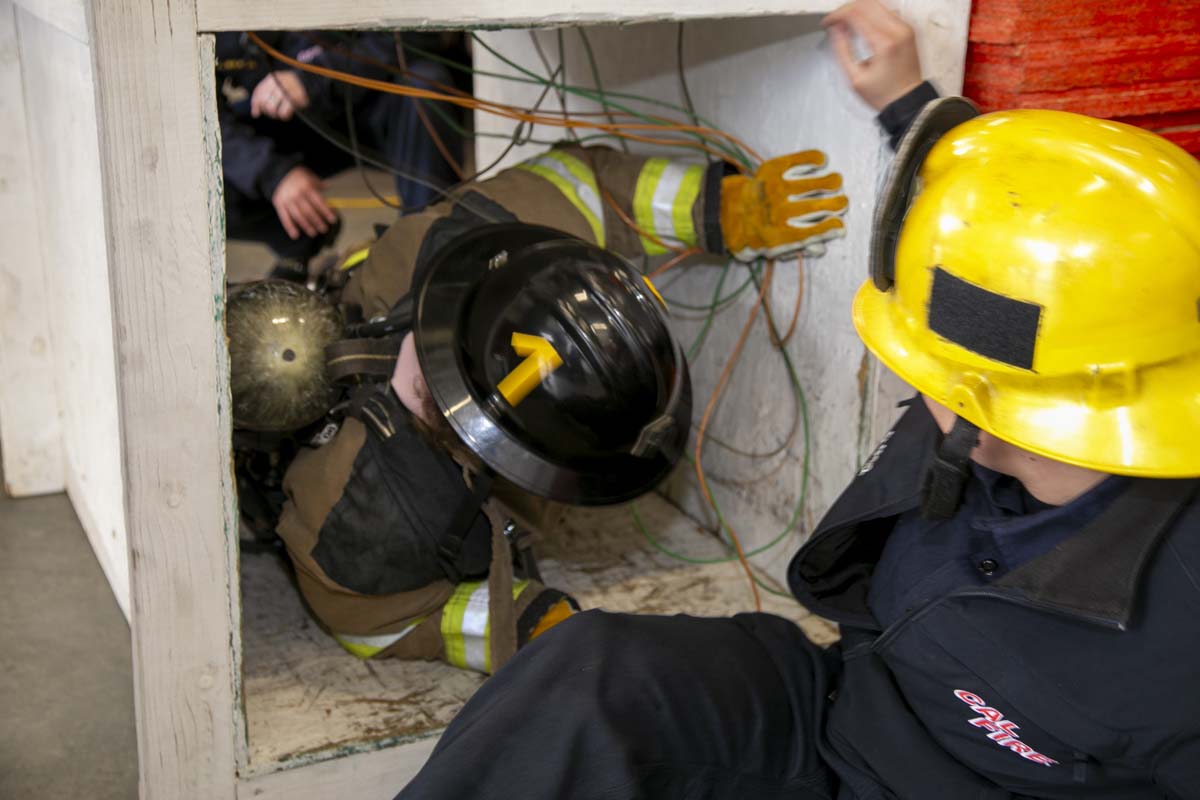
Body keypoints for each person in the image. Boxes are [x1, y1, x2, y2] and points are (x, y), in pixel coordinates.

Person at [391, 1, 1200, 797]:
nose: (917, 383)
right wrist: (907, 104)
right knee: (589, 680)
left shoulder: (1175, 634)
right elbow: (1023, 241)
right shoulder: (1077, 355)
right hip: (840, 702)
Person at [228, 136, 850, 672]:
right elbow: (372, 623)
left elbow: (583, 182)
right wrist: (519, 621)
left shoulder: (473, 237)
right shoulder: (354, 520)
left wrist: (721, 209)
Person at [216, 31, 466, 275]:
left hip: (372, 99)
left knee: (425, 85)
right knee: (200, 164)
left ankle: (428, 248)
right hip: (289, 119)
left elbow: (418, 35)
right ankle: (303, 234)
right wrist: (272, 172)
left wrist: (314, 78)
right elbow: (196, 105)